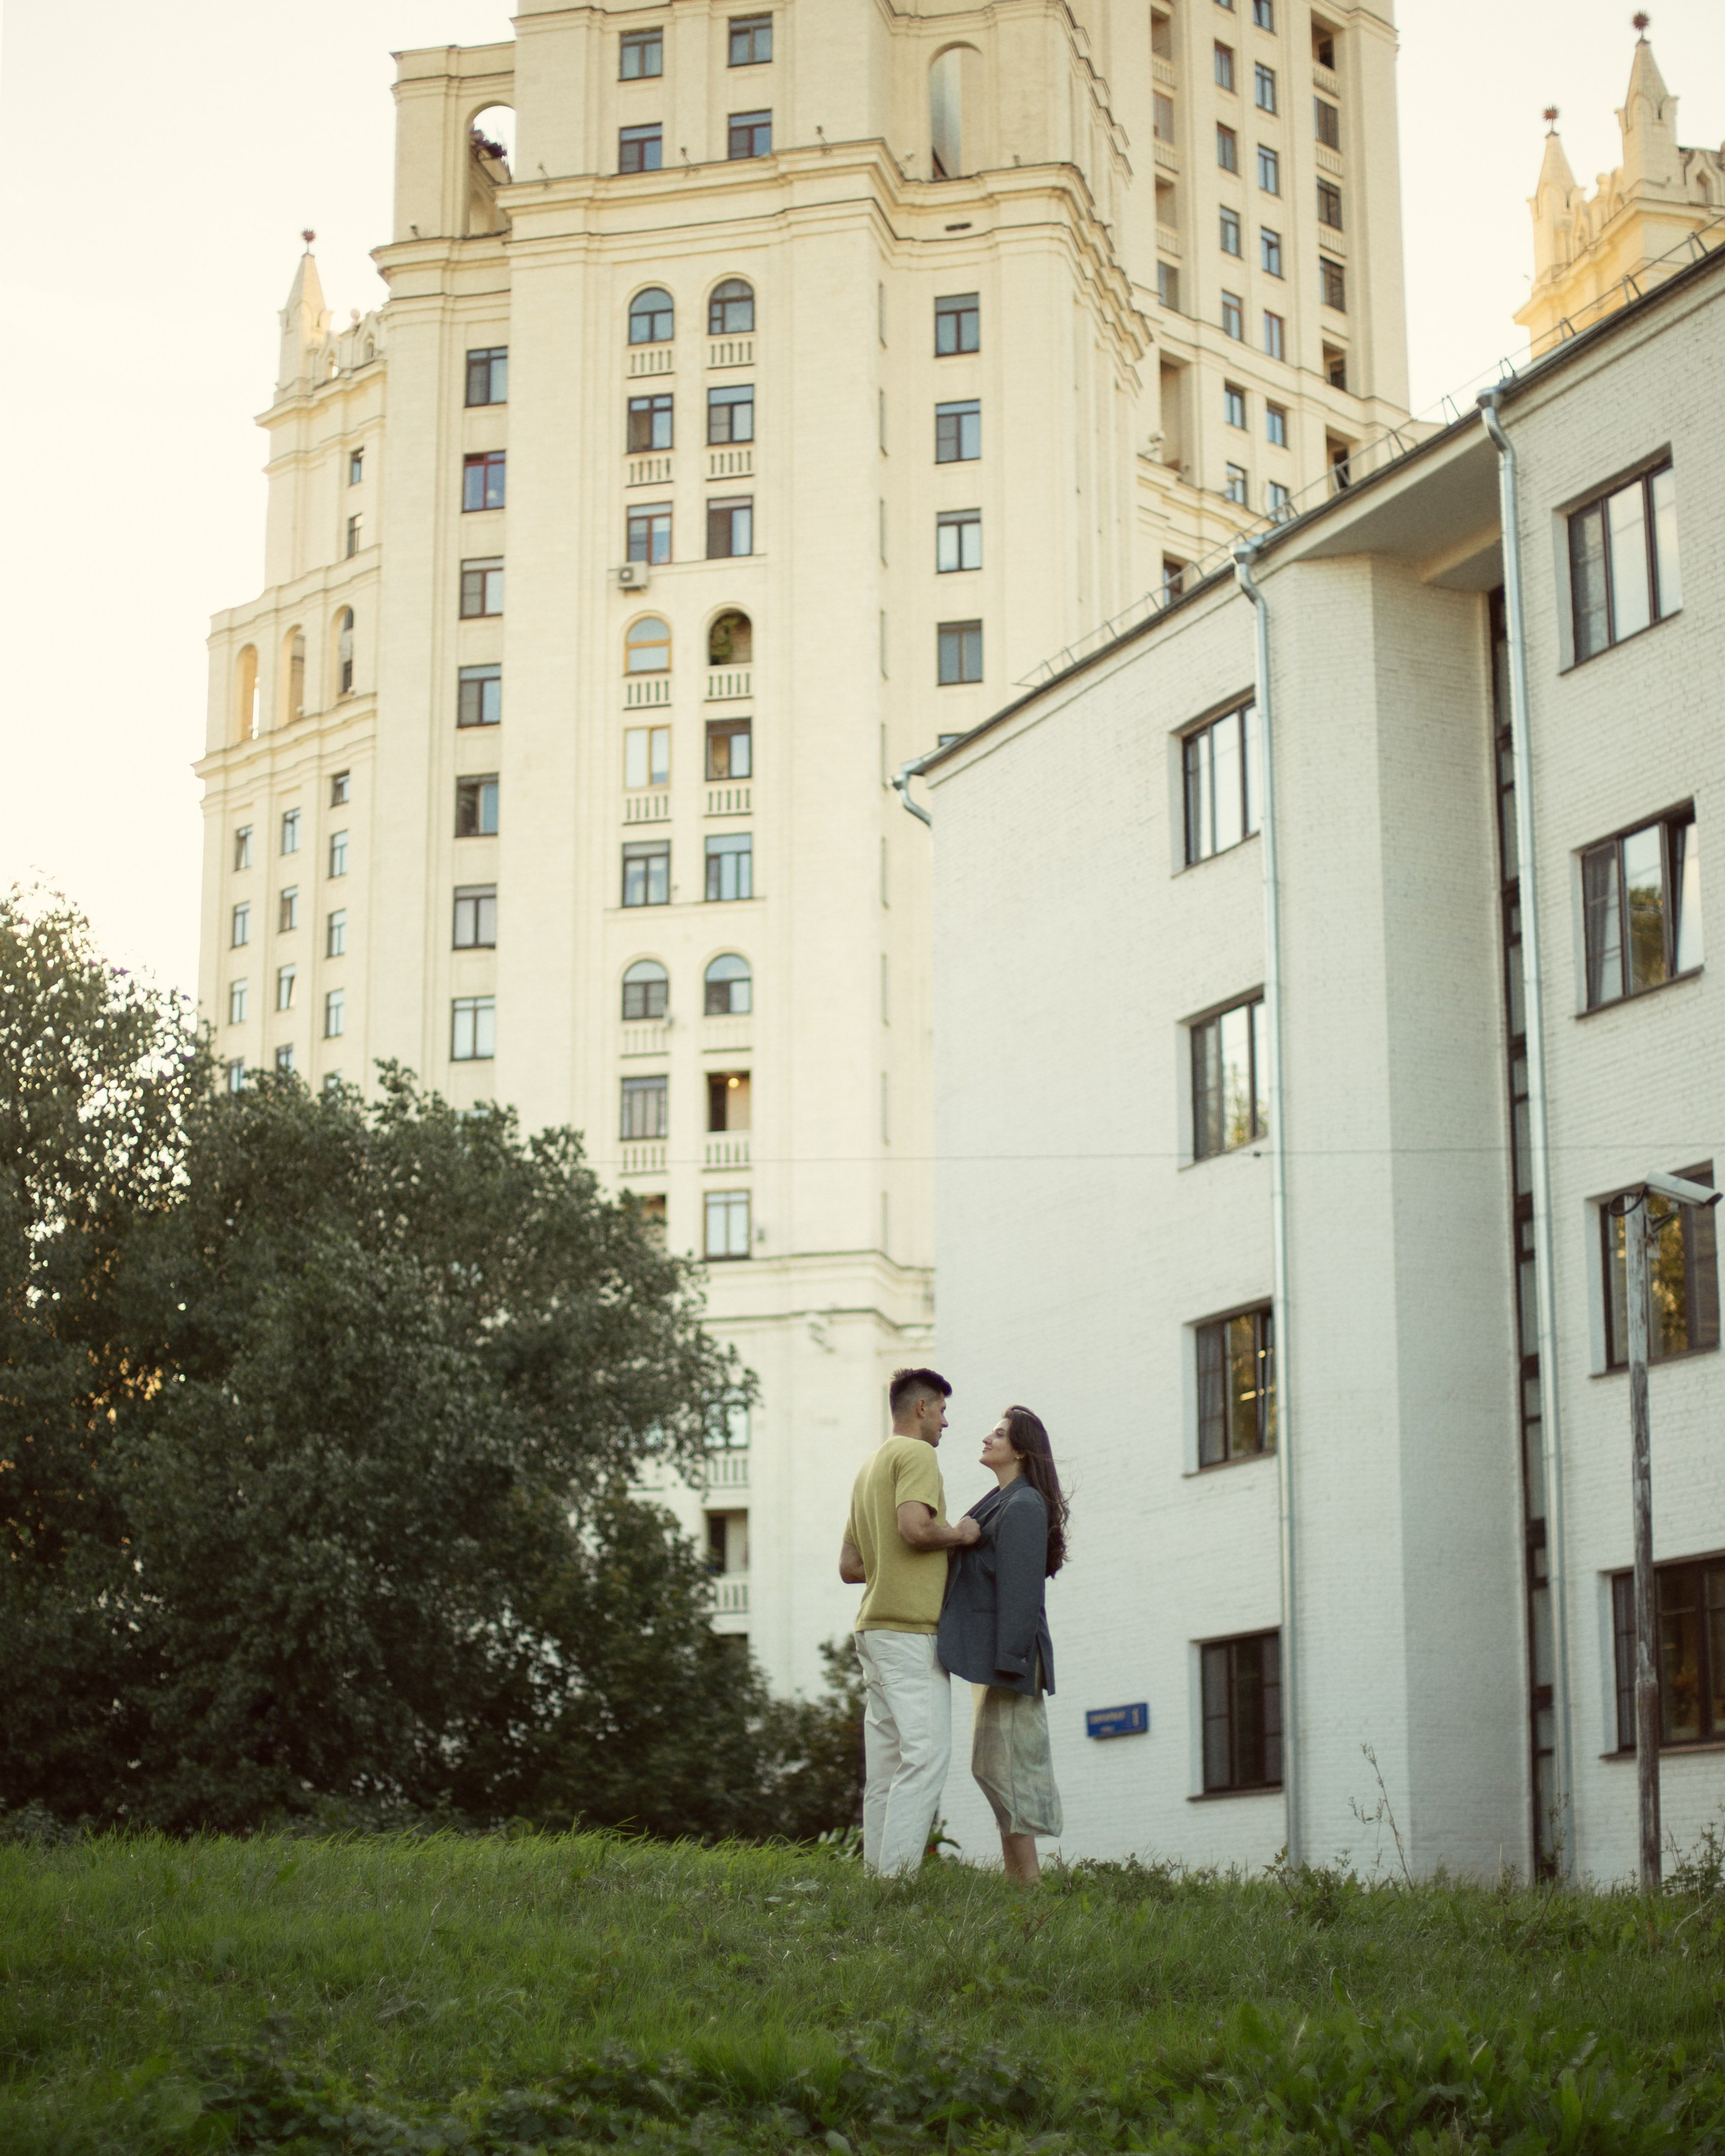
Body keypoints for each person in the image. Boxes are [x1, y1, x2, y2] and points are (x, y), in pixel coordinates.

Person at [839, 1367, 980, 1876]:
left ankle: (878, 1880)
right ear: (921, 1408)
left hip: (872, 1630)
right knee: (926, 1759)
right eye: (942, 1410)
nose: (946, 1422)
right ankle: (896, 1884)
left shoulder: (869, 1466)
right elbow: (915, 1529)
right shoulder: (917, 1454)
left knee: (887, 1768)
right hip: (909, 1631)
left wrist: (891, 1566)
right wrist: (960, 1534)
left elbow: (850, 1567)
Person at [937, 1405, 1069, 1884]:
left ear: (1020, 1449)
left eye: (999, 1434)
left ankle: (1030, 1889)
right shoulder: (1002, 1500)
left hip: (1010, 1663)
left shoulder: (1024, 1506)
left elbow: (1021, 1595)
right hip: (996, 1662)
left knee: (1011, 1773)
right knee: (995, 1770)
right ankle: (1021, 1886)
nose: (987, 1439)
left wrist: (1012, 1665)